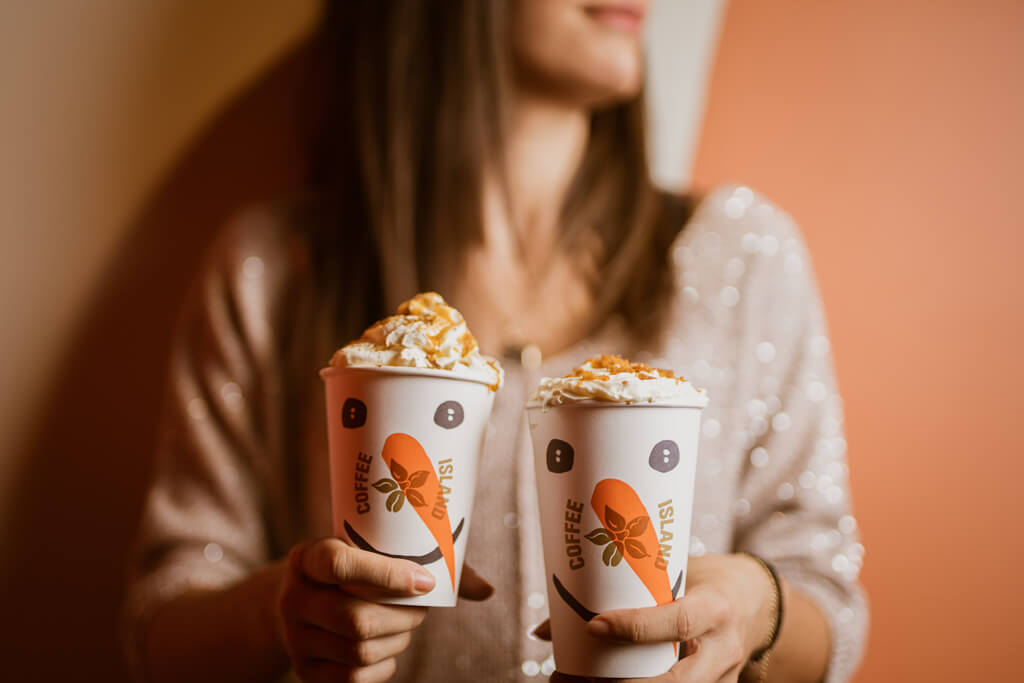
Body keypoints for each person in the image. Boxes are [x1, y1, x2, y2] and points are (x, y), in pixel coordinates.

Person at [122, 1, 868, 682]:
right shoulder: (274, 273)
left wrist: (758, 608)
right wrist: (282, 611)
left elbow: (831, 603)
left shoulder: (738, 256)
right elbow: (158, 629)